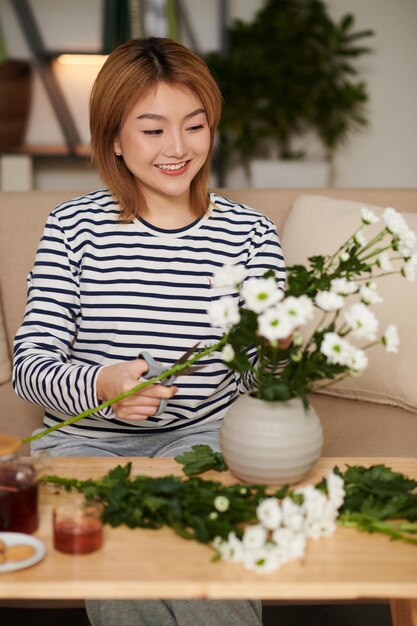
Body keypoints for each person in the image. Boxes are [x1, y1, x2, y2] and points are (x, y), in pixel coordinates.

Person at [13, 37, 286, 626]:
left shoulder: (250, 234)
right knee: (120, 562)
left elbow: (268, 380)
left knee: (210, 558)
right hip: (83, 443)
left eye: (195, 125)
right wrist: (103, 385)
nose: (179, 148)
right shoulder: (73, 227)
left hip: (204, 437)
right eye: (153, 129)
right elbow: (29, 366)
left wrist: (282, 344)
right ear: (114, 136)